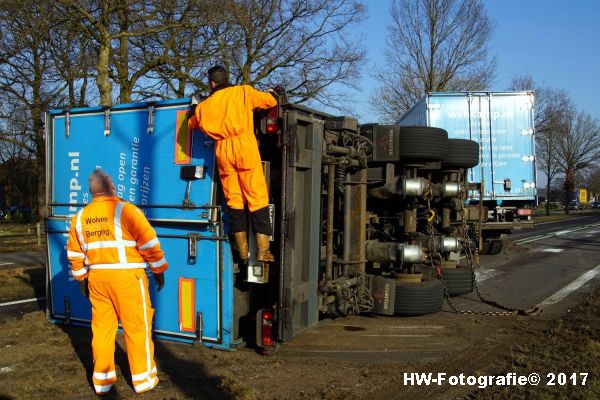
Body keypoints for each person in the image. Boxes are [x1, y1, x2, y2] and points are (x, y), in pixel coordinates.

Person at [66, 169, 168, 395]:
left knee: (102, 330)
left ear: (92, 191)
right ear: (111, 187)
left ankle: (102, 383)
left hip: (97, 280)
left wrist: (82, 278)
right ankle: (144, 381)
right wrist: (158, 268)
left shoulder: (80, 218)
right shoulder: (125, 210)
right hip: (128, 279)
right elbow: (149, 243)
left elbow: (74, 254)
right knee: (137, 329)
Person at [189, 65, 277, 264]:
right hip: (244, 146)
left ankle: (243, 251)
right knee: (257, 197)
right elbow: (269, 101)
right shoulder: (242, 92)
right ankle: (263, 250)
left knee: (234, 201)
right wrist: (273, 94)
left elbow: (191, 123)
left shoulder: (205, 106)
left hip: (223, 151)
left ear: (211, 83)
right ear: (225, 78)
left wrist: (195, 108)